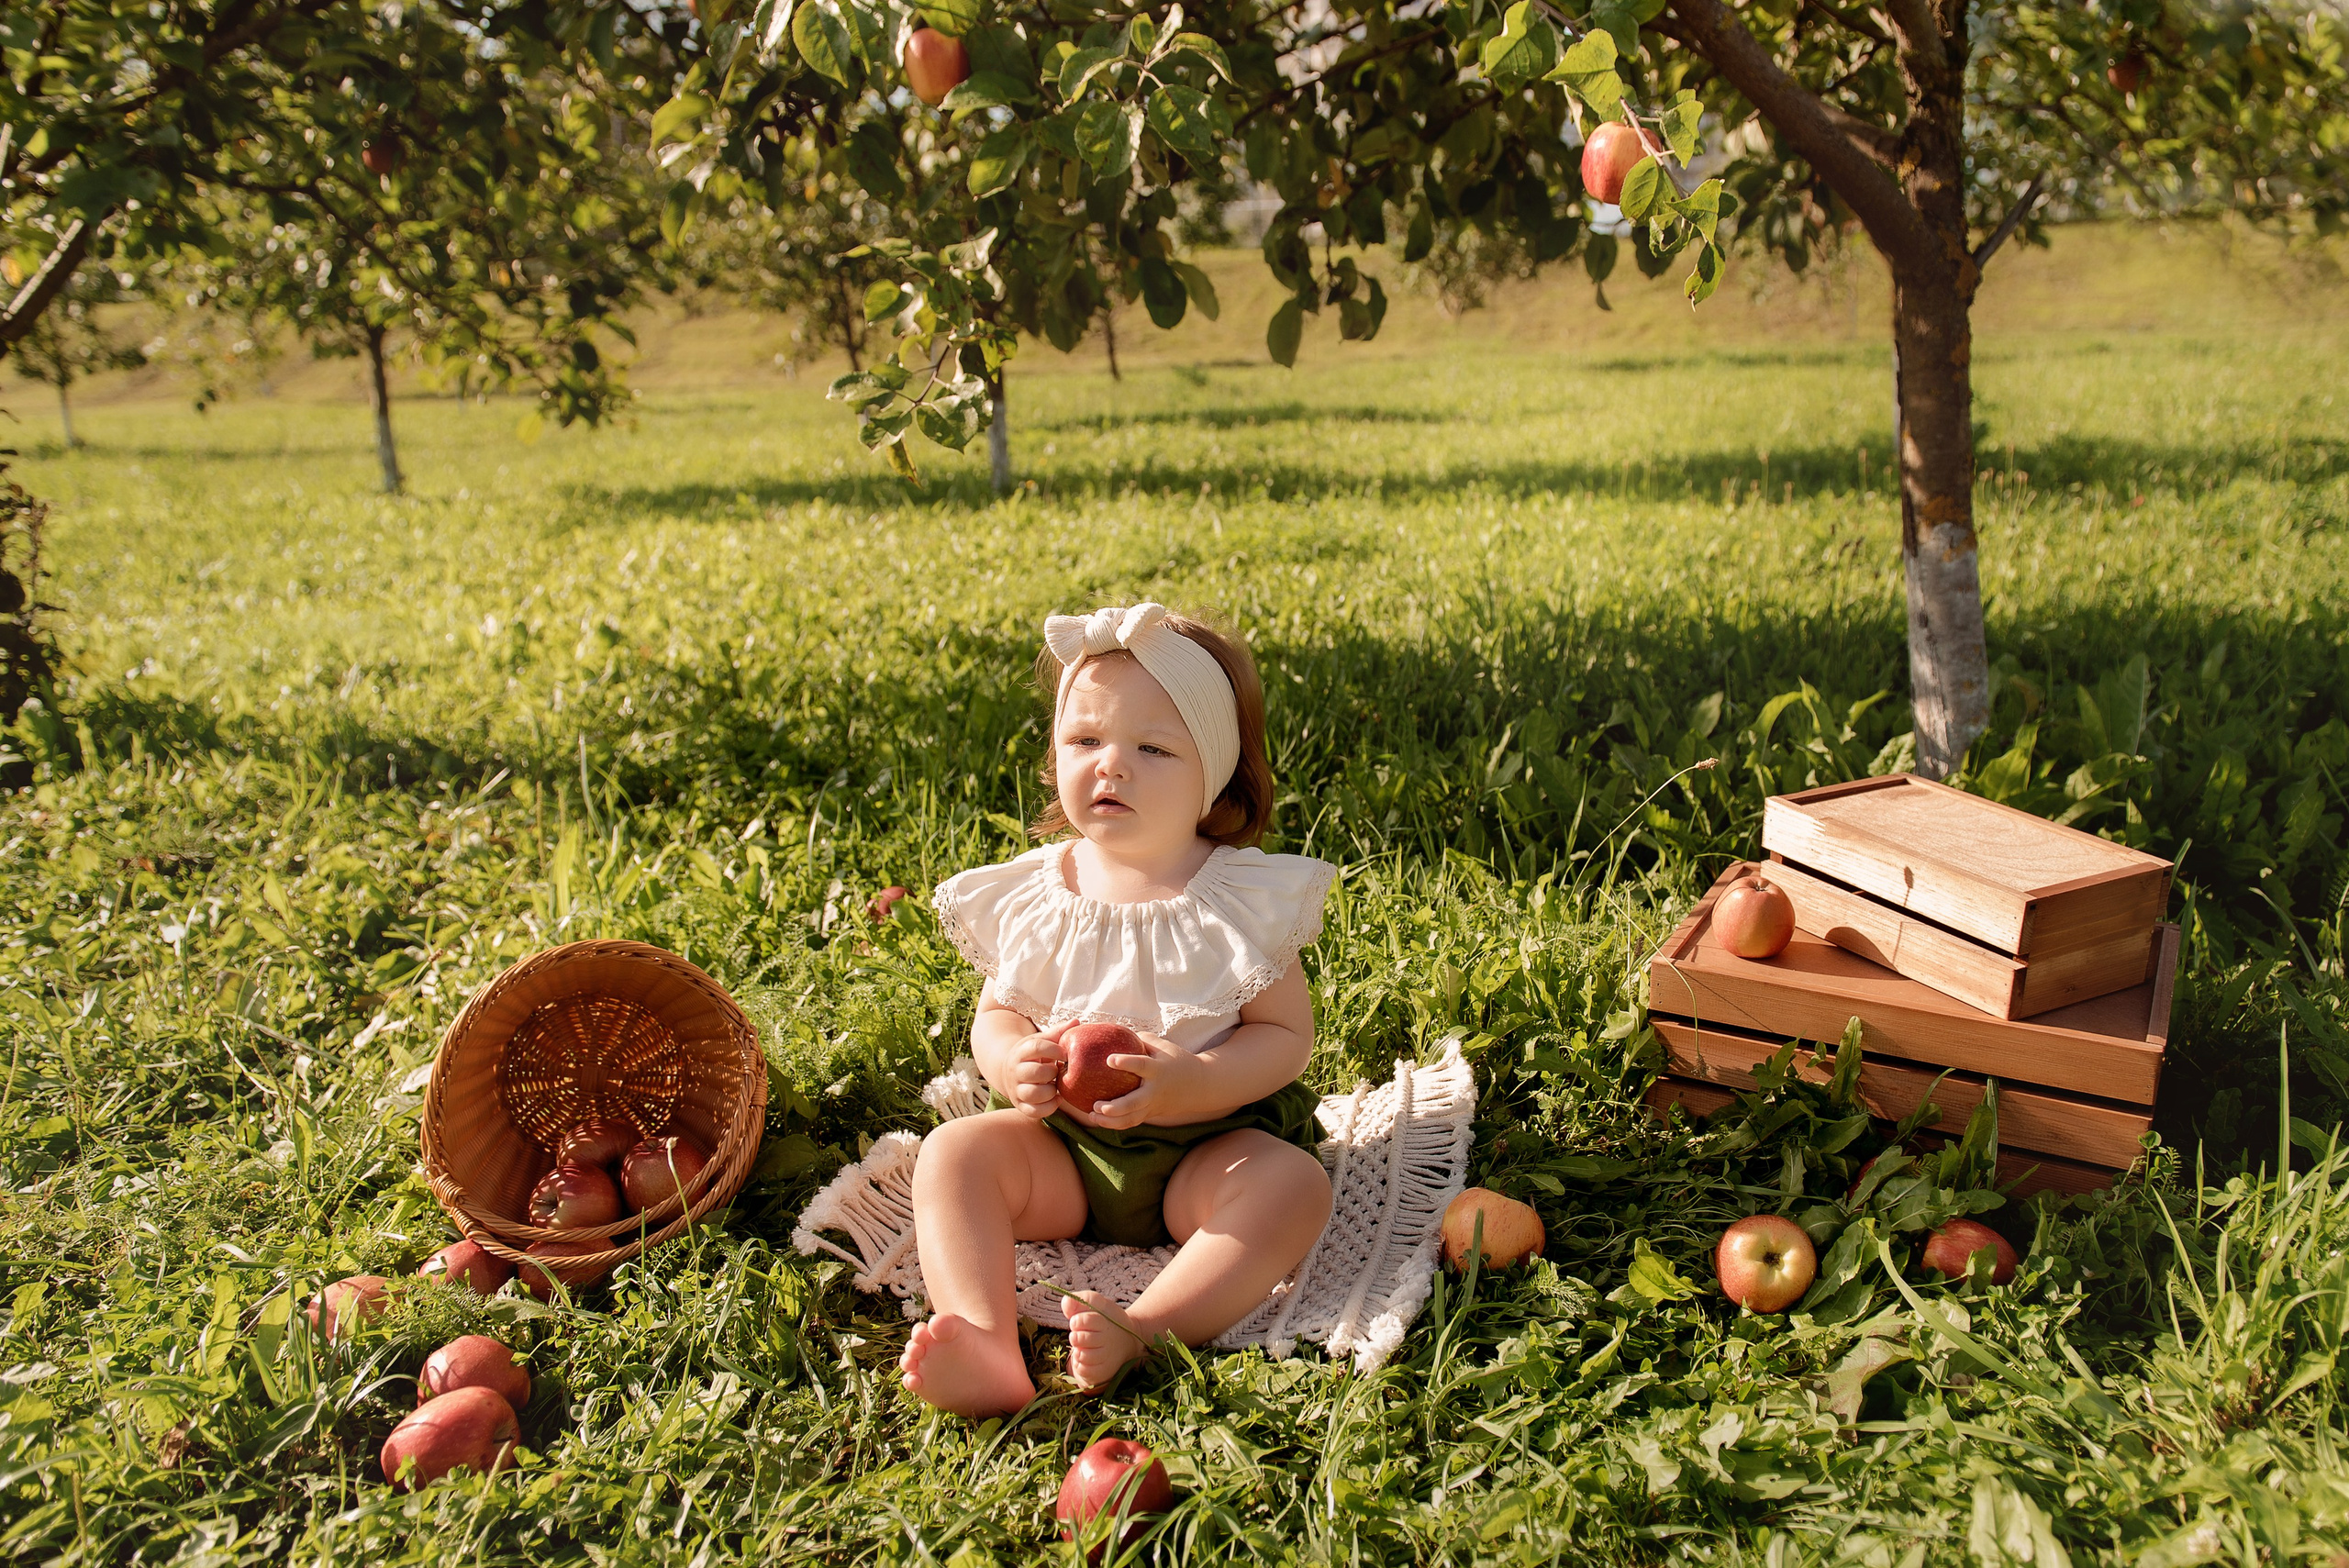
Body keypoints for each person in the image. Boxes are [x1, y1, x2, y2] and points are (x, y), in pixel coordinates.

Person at [897, 603, 1338, 1417]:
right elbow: (996, 1017)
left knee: (1296, 1186)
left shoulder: (1237, 896)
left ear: (1213, 773)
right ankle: (986, 1338)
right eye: (1085, 741)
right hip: (1066, 1153)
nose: (1112, 767)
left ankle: (1146, 1327)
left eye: (1153, 748)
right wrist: (1012, 1062)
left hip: (1206, 1151)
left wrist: (1194, 1080)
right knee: (953, 1154)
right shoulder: (1039, 893)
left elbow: (1285, 1038)